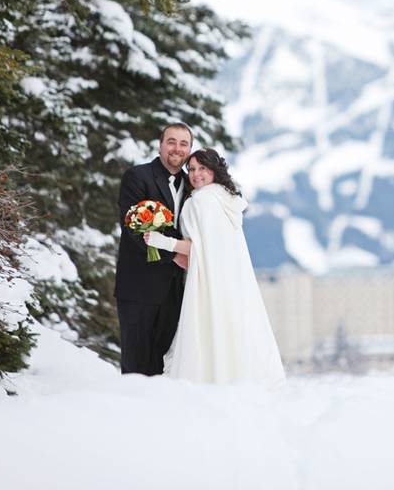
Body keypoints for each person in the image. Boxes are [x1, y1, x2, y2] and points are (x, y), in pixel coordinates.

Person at [144, 148, 286, 385]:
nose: (196, 174)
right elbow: (213, 248)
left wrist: (162, 242)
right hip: (230, 282)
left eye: (203, 169)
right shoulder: (225, 199)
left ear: (215, 171)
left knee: (207, 332)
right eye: (192, 169)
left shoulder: (202, 200)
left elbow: (202, 249)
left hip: (209, 284)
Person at [114, 123, 192, 375]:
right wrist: (176, 255)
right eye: (171, 141)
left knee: (165, 368)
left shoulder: (192, 184)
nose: (177, 149)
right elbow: (133, 229)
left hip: (176, 291)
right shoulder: (137, 177)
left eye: (183, 144)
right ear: (160, 145)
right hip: (139, 288)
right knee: (136, 368)